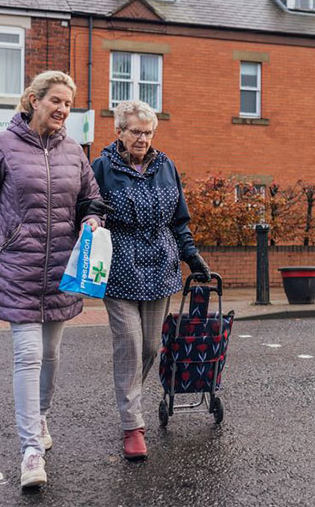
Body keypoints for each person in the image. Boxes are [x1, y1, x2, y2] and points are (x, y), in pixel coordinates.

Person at [0, 71, 106, 489]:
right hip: (19, 267)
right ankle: (31, 451)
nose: (62, 110)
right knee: (28, 356)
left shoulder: (73, 150)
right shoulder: (2, 146)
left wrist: (91, 217)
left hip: (60, 271)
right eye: (55, 100)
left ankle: (40, 416)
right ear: (33, 100)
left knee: (51, 356)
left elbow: (91, 198)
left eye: (68, 104)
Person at [91, 99, 211, 461]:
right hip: (120, 266)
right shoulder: (102, 167)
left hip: (161, 266)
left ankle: (131, 403)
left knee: (150, 349)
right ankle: (132, 426)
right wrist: (92, 220)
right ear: (119, 131)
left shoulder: (166, 166)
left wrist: (192, 257)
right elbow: (89, 206)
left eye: (148, 132)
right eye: (135, 132)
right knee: (129, 343)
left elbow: (179, 221)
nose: (142, 138)